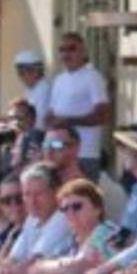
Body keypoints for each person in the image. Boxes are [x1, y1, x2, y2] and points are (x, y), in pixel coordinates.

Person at [0, 162, 74, 274]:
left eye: (39, 194)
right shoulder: (31, 220)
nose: (32, 201)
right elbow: (13, 259)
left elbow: (35, 261)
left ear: (56, 192)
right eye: (27, 194)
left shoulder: (63, 218)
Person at [27, 179, 120, 274]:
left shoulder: (107, 232)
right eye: (65, 209)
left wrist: (43, 268)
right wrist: (49, 266)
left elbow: (81, 265)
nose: (70, 214)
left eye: (77, 207)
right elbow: (32, 271)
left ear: (97, 209)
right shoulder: (72, 241)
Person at [45, 32, 110, 177]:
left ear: (83, 51)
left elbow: (103, 115)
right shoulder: (59, 80)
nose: (66, 54)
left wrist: (68, 122)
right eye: (62, 50)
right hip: (58, 154)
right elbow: (52, 115)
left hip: (84, 154)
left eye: (71, 49)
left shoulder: (92, 77)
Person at [41, 123, 126, 223]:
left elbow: (112, 227)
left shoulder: (102, 186)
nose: (49, 151)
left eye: (56, 145)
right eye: (45, 145)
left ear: (75, 148)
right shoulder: (45, 185)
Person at [14, 50, 52, 131]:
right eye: (19, 73)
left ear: (35, 72)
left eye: (22, 72)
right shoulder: (30, 89)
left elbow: (41, 122)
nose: (20, 77)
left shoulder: (44, 90)